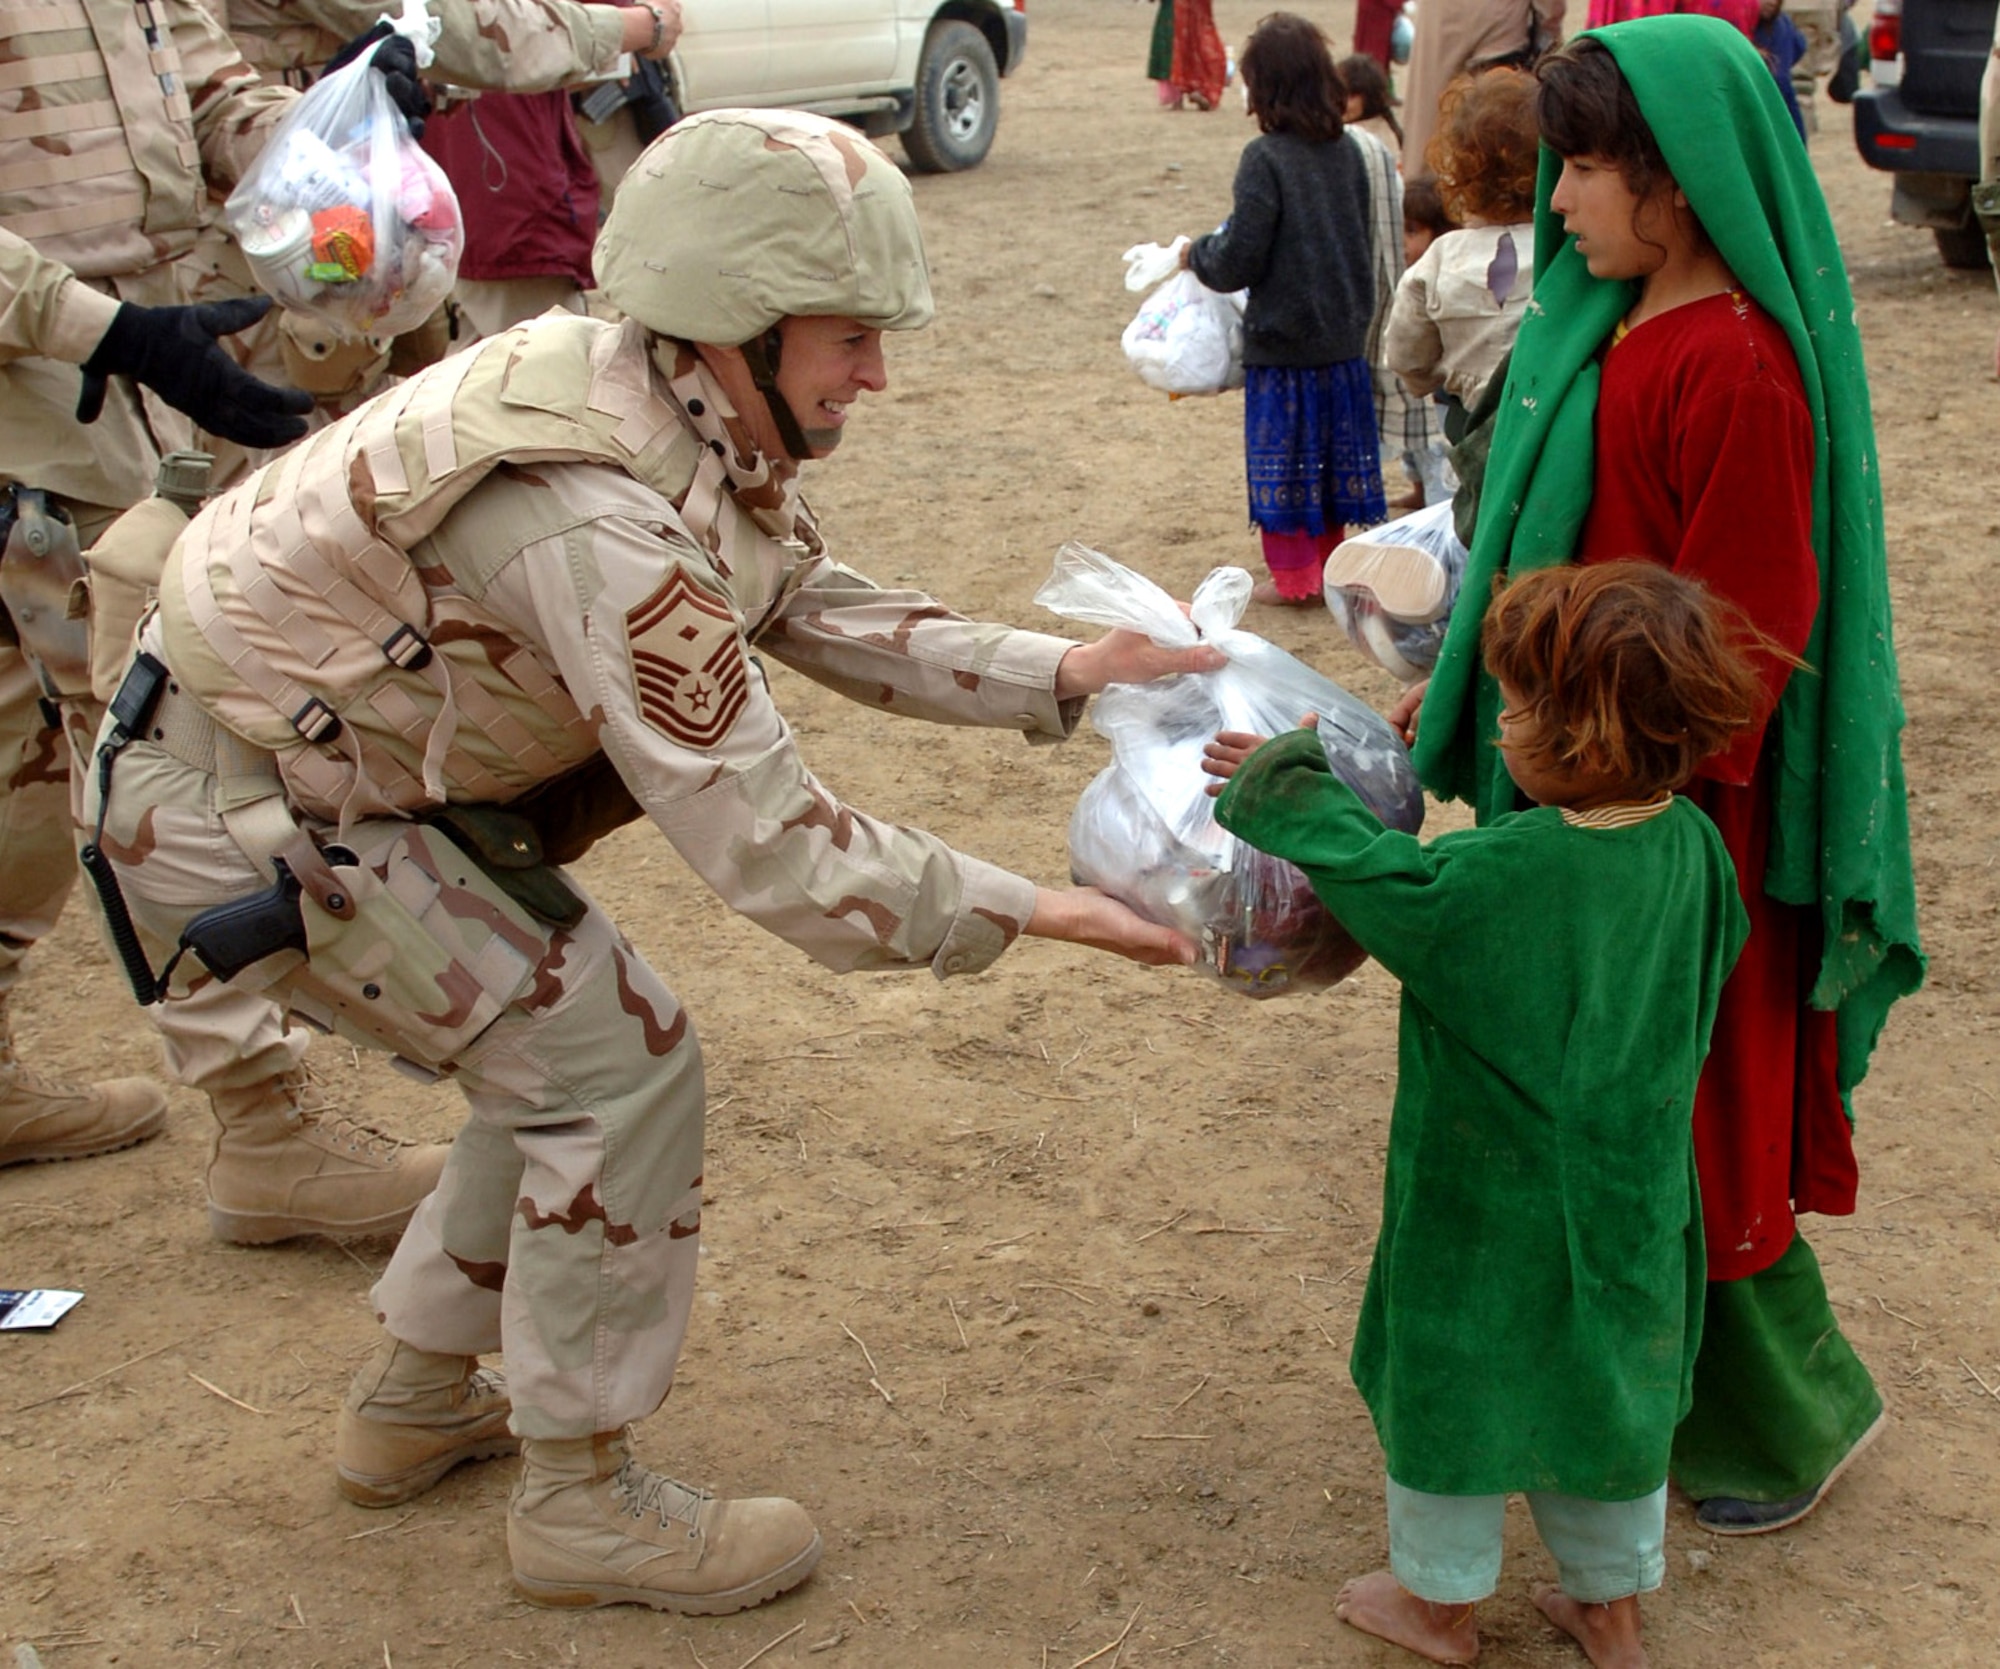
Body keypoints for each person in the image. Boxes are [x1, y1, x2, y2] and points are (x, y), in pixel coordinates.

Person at [83, 109, 1222, 1614]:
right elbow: (784, 851)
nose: (875, 372)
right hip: (246, 819)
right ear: (737, 324)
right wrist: (1044, 908)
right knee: (614, 1059)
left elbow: (808, 597)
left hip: (314, 782)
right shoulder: (594, 515)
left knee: (565, 1053)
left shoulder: (651, 385)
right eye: (850, 339)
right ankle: (580, 1502)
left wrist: (1067, 668)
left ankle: (418, 1400)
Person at [1401, 19, 1923, 1537]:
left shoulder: (1737, 369)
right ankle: (1666, 1405)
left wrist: (1620, 800)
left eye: (1585, 170)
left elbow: (1746, 642)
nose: (1555, 202)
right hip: (1591, 786)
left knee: (1690, 1115)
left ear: (1678, 183)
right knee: (1619, 1116)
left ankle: (1776, 1423)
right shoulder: (1605, 325)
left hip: (1676, 826)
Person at [1207, 561, 1763, 1669]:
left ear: (1581, 737)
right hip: (1631, 1188)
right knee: (1605, 1385)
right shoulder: (1691, 846)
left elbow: (1398, 897)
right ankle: (1608, 1607)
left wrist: (1288, 782)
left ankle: (1439, 1606)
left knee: (1453, 1376)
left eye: (1513, 708)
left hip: (1486, 1201)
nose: (1499, 727)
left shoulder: (1506, 870)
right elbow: (1714, 958)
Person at [0, 0, 452, 1239]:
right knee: (145, 768)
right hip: (46, 406)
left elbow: (215, 106)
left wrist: (346, 145)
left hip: (124, 404)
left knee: (47, 776)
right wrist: (110, 331)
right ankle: (266, 1136)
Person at [1183, 13, 1389, 606]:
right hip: (1344, 337)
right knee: (1329, 463)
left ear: (1264, 87)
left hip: (1287, 342)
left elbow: (1237, 259)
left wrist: (1194, 254)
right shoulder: (1348, 152)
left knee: (1290, 464)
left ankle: (1297, 579)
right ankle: (1330, 567)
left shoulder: (1265, 158)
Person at [1386, 68, 1542, 418]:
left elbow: (1405, 357)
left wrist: (1440, 377)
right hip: (1552, 422)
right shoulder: (1571, 251)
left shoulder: (1441, 258)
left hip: (1473, 425)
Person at [1400, 0, 1565, 177]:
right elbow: (1549, 12)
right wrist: (1549, 28)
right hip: (1500, 24)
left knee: (1426, 115)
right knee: (1497, 126)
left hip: (1443, 14)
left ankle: (1419, 194)